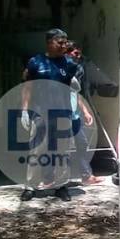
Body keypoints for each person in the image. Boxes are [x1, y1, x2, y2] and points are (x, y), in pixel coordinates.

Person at [19, 28, 79, 202]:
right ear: (49, 43)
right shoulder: (36, 62)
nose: (63, 45)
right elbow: (27, 87)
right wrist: (24, 110)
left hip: (62, 114)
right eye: (59, 42)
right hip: (40, 113)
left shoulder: (69, 63)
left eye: (65, 42)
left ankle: (61, 186)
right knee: (37, 150)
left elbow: (73, 87)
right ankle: (30, 186)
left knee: (62, 152)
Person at [66, 42, 102, 185]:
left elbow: (77, 94)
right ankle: (53, 178)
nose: (78, 56)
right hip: (60, 113)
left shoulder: (78, 69)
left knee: (82, 143)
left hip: (74, 114)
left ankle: (86, 175)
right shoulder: (59, 69)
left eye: (79, 54)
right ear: (67, 53)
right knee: (59, 146)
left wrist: (86, 112)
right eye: (75, 53)